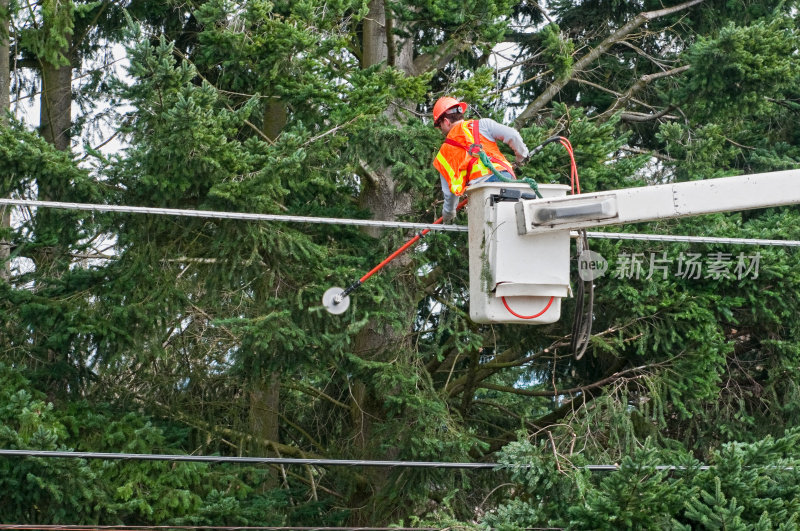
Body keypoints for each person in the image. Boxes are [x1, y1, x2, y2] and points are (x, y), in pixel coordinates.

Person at [432, 97, 530, 223]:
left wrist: (448, 215)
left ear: (445, 121)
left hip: (482, 191)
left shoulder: (445, 153)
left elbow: (450, 195)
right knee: (511, 223)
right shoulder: (482, 125)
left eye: (440, 127)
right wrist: (521, 156)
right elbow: (513, 135)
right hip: (506, 179)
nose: (441, 132)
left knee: (490, 234)